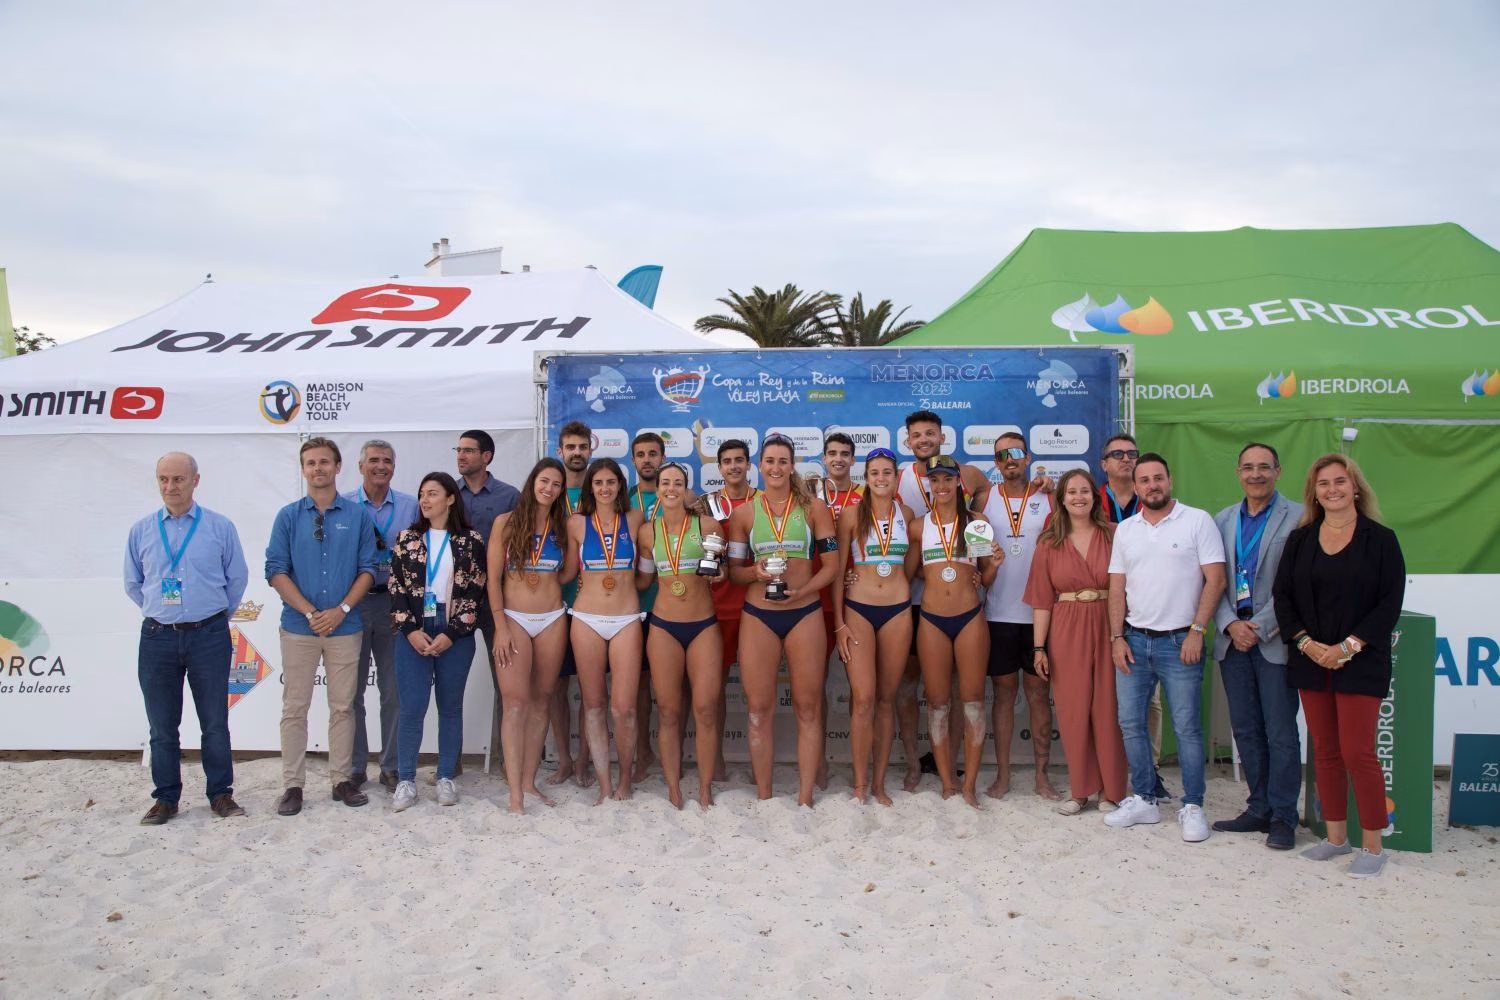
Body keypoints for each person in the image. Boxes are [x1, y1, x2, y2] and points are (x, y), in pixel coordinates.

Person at [1274, 455, 1404, 877]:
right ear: (1314, 493)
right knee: (1325, 751)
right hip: (1311, 659)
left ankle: (1373, 846)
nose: (1332, 489)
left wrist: (1348, 646)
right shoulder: (1301, 539)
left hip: (1361, 661)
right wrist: (1307, 644)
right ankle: (1335, 839)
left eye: (1340, 481)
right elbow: (1283, 597)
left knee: (1357, 752)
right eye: (1323, 483)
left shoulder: (1380, 540)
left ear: (1356, 488)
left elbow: (1390, 602)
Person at [1105, 452, 1226, 842]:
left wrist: (1198, 630)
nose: (1152, 485)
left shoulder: (1197, 520)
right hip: (1134, 640)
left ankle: (1193, 806)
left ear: (1169, 481)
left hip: (1181, 641)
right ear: (1135, 486)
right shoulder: (1127, 530)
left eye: (1158, 478)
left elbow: (1216, 580)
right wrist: (1116, 638)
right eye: (1144, 480)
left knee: (1187, 728)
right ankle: (1145, 799)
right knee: (1130, 723)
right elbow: (1117, 588)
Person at [124, 452, 249, 825]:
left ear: (196, 480)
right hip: (158, 637)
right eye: (163, 479)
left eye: (178, 479)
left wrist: (210, 617)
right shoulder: (141, 530)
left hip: (208, 635)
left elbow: (236, 578)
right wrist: (164, 613)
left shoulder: (220, 527)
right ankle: (165, 798)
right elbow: (133, 583)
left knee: (214, 722)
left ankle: (221, 794)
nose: (170, 487)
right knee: (162, 727)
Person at [265, 437, 378, 815]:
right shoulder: (287, 516)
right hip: (299, 627)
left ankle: (341, 780)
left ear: (338, 466)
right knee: (295, 707)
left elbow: (368, 569)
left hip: (345, 627)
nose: (318, 468)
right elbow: (275, 570)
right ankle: (293, 786)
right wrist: (311, 612)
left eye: (324, 462)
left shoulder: (358, 516)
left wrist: (341, 609)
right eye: (311, 463)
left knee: (343, 707)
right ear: (303, 469)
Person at [727, 434, 838, 806]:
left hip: (804, 614)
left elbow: (832, 567)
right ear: (760, 466)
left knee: (808, 709)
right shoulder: (744, 514)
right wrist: (755, 572)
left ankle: (805, 797)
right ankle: (765, 796)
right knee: (759, 711)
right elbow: (734, 573)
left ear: (792, 466)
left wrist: (803, 592)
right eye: (770, 461)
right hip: (759, 616)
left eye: (783, 461)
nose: (776, 468)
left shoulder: (814, 508)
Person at [1211, 443, 1303, 850]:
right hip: (1232, 641)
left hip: (1274, 640)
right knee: (1246, 729)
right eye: (1248, 467)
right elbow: (1211, 581)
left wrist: (1259, 626)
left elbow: (1298, 584)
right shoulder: (1222, 520)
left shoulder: (1300, 517)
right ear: (1238, 473)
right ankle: (1259, 807)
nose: (1256, 474)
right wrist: (1230, 624)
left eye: (1264, 467)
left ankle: (1284, 817)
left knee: (1280, 732)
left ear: (1278, 471)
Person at [893, 410, 989, 791]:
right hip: (919, 605)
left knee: (963, 692)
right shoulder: (899, 480)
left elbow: (986, 568)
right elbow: (903, 565)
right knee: (914, 687)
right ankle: (914, 763)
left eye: (930, 433)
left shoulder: (974, 506)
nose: (923, 440)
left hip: (964, 608)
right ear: (908, 441)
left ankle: (954, 769)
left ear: (941, 437)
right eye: (917, 435)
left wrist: (984, 568)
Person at [1023, 469, 1127, 816]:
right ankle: (1081, 790)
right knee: (1073, 710)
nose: (1078, 497)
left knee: (1108, 709)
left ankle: (1111, 791)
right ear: (1062, 499)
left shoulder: (1115, 534)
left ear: (1095, 497)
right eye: (1071, 492)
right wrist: (1039, 647)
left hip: (1109, 622)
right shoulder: (1048, 542)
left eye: (1085, 491)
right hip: (1066, 626)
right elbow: (1041, 600)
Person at [387, 472, 487, 811]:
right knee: (412, 708)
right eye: (421, 494)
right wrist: (410, 630)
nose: (425, 500)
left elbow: (476, 590)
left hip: (455, 632)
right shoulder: (407, 538)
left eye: (432, 493)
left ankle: (445, 776)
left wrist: (451, 633)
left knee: (450, 707)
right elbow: (396, 588)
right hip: (414, 629)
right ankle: (406, 780)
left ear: (450, 498)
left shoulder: (471, 541)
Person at [975, 433, 1060, 801]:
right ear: (995, 463)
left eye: (1015, 453)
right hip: (997, 614)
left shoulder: (1049, 496)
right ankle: (1003, 775)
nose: (1008, 459)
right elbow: (978, 558)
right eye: (1000, 455)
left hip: (1040, 614)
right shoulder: (984, 500)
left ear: (1027, 457)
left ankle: (1042, 776)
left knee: (1039, 696)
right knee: (1003, 696)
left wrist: (1052, 486)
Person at [910, 454, 999, 806]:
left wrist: (990, 569)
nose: (942, 486)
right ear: (929, 484)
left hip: (969, 618)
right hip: (932, 619)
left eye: (948, 479)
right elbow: (909, 572)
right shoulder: (919, 527)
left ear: (959, 482)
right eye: (935, 480)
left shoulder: (976, 523)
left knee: (973, 703)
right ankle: (947, 782)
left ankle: (970, 784)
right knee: (937, 705)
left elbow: (987, 576)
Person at [488, 459, 574, 813]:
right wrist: (500, 626)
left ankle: (528, 783)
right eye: (544, 481)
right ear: (532, 482)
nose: (549, 489)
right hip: (514, 619)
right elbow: (493, 579)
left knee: (541, 701)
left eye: (556, 484)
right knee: (515, 703)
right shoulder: (506, 523)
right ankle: (515, 794)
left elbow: (568, 573)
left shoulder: (563, 525)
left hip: (552, 618)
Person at [831, 447, 917, 805]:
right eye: (874, 473)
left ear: (896, 477)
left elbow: (911, 567)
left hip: (898, 611)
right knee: (864, 698)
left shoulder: (907, 514)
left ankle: (879, 784)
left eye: (887, 473)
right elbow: (838, 572)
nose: (881, 478)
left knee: (885, 699)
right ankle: (859, 784)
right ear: (864, 478)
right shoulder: (852, 514)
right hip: (859, 611)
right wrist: (838, 623)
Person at [637, 463, 725, 809]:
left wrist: (720, 575)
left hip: (703, 625)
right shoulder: (647, 533)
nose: (671, 488)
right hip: (664, 627)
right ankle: (673, 788)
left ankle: (704, 788)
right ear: (657, 489)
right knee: (669, 712)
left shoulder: (707, 526)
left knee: (705, 710)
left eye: (677, 483)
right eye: (665, 483)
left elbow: (723, 569)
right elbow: (644, 579)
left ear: (687, 489)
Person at [566, 457, 648, 802]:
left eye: (610, 482)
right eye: (598, 482)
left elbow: (648, 569)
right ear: (590, 487)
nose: (604, 488)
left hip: (627, 619)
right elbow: (566, 573)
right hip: (586, 619)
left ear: (620, 486)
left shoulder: (636, 519)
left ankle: (625, 779)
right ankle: (603, 783)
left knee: (624, 709)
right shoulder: (576, 523)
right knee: (595, 705)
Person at [343, 439, 418, 792]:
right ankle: (355, 767)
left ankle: (391, 766)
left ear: (394, 467)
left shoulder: (411, 506)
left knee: (394, 692)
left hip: (395, 605)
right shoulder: (343, 505)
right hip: (353, 604)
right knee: (350, 693)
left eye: (387, 460)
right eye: (373, 460)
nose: (380, 466)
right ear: (360, 466)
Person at [1100, 432, 1167, 800]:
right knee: (1106, 697)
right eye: (1117, 454)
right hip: (1102, 609)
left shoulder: (1156, 504)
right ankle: (1107, 772)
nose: (1125, 459)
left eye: (1131, 454)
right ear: (1104, 464)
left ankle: (1150, 772)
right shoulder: (1090, 499)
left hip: (1146, 612)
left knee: (1149, 701)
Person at [456, 429, 520, 775]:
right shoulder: (448, 493)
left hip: (499, 601)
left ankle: (506, 761)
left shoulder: (510, 496)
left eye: (468, 450)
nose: (461, 456)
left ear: (487, 456)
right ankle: (450, 762)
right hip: (457, 602)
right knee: (452, 683)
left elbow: (523, 548)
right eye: (459, 450)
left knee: (506, 685)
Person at [692, 438, 756, 779]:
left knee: (756, 690)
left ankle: (759, 763)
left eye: (739, 460)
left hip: (754, 606)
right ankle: (715, 760)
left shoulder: (764, 501)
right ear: (719, 467)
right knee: (712, 691)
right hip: (714, 607)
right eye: (727, 461)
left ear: (748, 464)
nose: (733, 466)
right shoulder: (704, 505)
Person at [813, 431, 862, 788]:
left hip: (854, 599)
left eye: (845, 453)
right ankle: (818, 763)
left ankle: (857, 765)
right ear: (824, 458)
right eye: (832, 453)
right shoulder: (808, 495)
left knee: (861, 688)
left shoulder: (867, 496)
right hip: (815, 599)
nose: (839, 459)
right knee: (813, 687)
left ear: (853, 460)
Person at [547, 420, 593, 786]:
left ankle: (584, 761)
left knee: (592, 691)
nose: (577, 453)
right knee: (556, 687)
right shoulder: (549, 494)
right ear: (560, 451)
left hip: (595, 606)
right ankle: (564, 758)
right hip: (554, 605)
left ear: (591, 450)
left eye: (582, 447)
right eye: (570, 447)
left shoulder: (602, 491)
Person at [628, 432, 665, 782]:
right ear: (633, 460)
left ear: (662, 457)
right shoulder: (624, 500)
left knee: (676, 684)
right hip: (637, 604)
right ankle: (643, 752)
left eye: (653, 453)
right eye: (641, 454)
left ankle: (674, 752)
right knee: (639, 685)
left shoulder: (682, 496)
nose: (647, 460)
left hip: (674, 605)